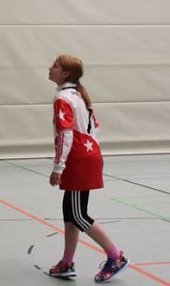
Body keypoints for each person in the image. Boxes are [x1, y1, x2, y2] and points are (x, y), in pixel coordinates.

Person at [46, 55, 128, 283]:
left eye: (55, 66)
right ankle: (67, 262)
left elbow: (66, 134)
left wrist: (58, 167)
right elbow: (93, 128)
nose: (50, 68)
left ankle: (116, 256)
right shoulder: (78, 95)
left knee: (78, 214)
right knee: (70, 213)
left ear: (65, 74)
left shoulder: (63, 97)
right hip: (88, 153)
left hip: (78, 158)